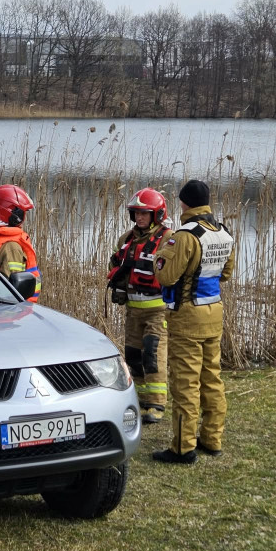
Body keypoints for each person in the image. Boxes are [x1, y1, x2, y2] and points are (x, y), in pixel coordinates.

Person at [151, 180, 235, 465]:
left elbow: (165, 276)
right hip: (214, 311)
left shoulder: (184, 236)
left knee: (185, 382)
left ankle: (182, 447)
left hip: (187, 316)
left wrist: (160, 254)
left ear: (184, 203)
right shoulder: (224, 233)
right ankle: (212, 439)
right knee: (212, 378)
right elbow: (225, 274)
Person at [108, 188, 172, 425]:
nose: (140, 218)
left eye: (145, 213)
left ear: (157, 215)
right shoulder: (126, 239)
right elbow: (116, 264)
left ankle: (156, 403)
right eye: (136, 213)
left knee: (152, 353)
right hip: (133, 309)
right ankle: (142, 400)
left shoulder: (168, 238)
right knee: (133, 355)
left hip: (158, 309)